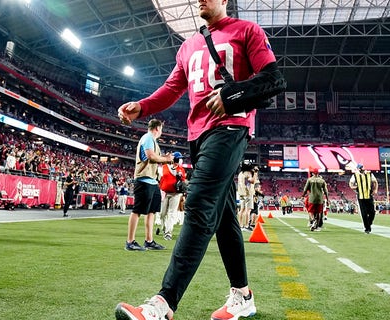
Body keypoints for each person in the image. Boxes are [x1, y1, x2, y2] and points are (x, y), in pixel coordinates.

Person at [115, 0, 285, 317]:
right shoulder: (188, 45)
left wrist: (232, 94)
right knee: (224, 219)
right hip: (198, 135)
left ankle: (163, 303)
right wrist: (144, 106)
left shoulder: (247, 30)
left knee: (199, 205)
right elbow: (172, 87)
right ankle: (243, 296)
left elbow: (274, 79)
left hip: (231, 128)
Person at [124, 119, 173, 251]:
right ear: (157, 128)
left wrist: (164, 158)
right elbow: (151, 156)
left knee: (151, 211)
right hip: (144, 180)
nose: (161, 131)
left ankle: (149, 241)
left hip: (152, 180)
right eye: (161, 129)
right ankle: (130, 241)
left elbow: (154, 157)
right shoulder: (148, 138)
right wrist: (166, 160)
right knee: (137, 210)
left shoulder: (152, 141)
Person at [157, 151, 187, 240]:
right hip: (166, 193)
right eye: (177, 158)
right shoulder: (164, 167)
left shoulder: (181, 169)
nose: (178, 160)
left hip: (176, 194)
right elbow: (160, 178)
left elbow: (183, 181)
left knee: (171, 213)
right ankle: (164, 228)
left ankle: (168, 233)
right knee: (162, 214)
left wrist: (180, 177)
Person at [349, 164, 378, 234]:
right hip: (361, 197)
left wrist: (375, 190)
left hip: (369, 195)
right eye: (361, 168)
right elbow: (350, 183)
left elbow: (375, 182)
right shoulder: (355, 175)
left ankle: (369, 223)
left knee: (372, 212)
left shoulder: (369, 174)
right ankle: (367, 228)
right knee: (364, 213)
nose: (363, 169)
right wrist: (354, 187)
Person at [237, 163, 256, 231]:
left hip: (241, 193)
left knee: (241, 210)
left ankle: (240, 225)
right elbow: (252, 181)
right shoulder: (248, 173)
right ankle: (246, 225)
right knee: (247, 210)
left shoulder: (240, 174)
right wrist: (255, 173)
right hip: (248, 193)